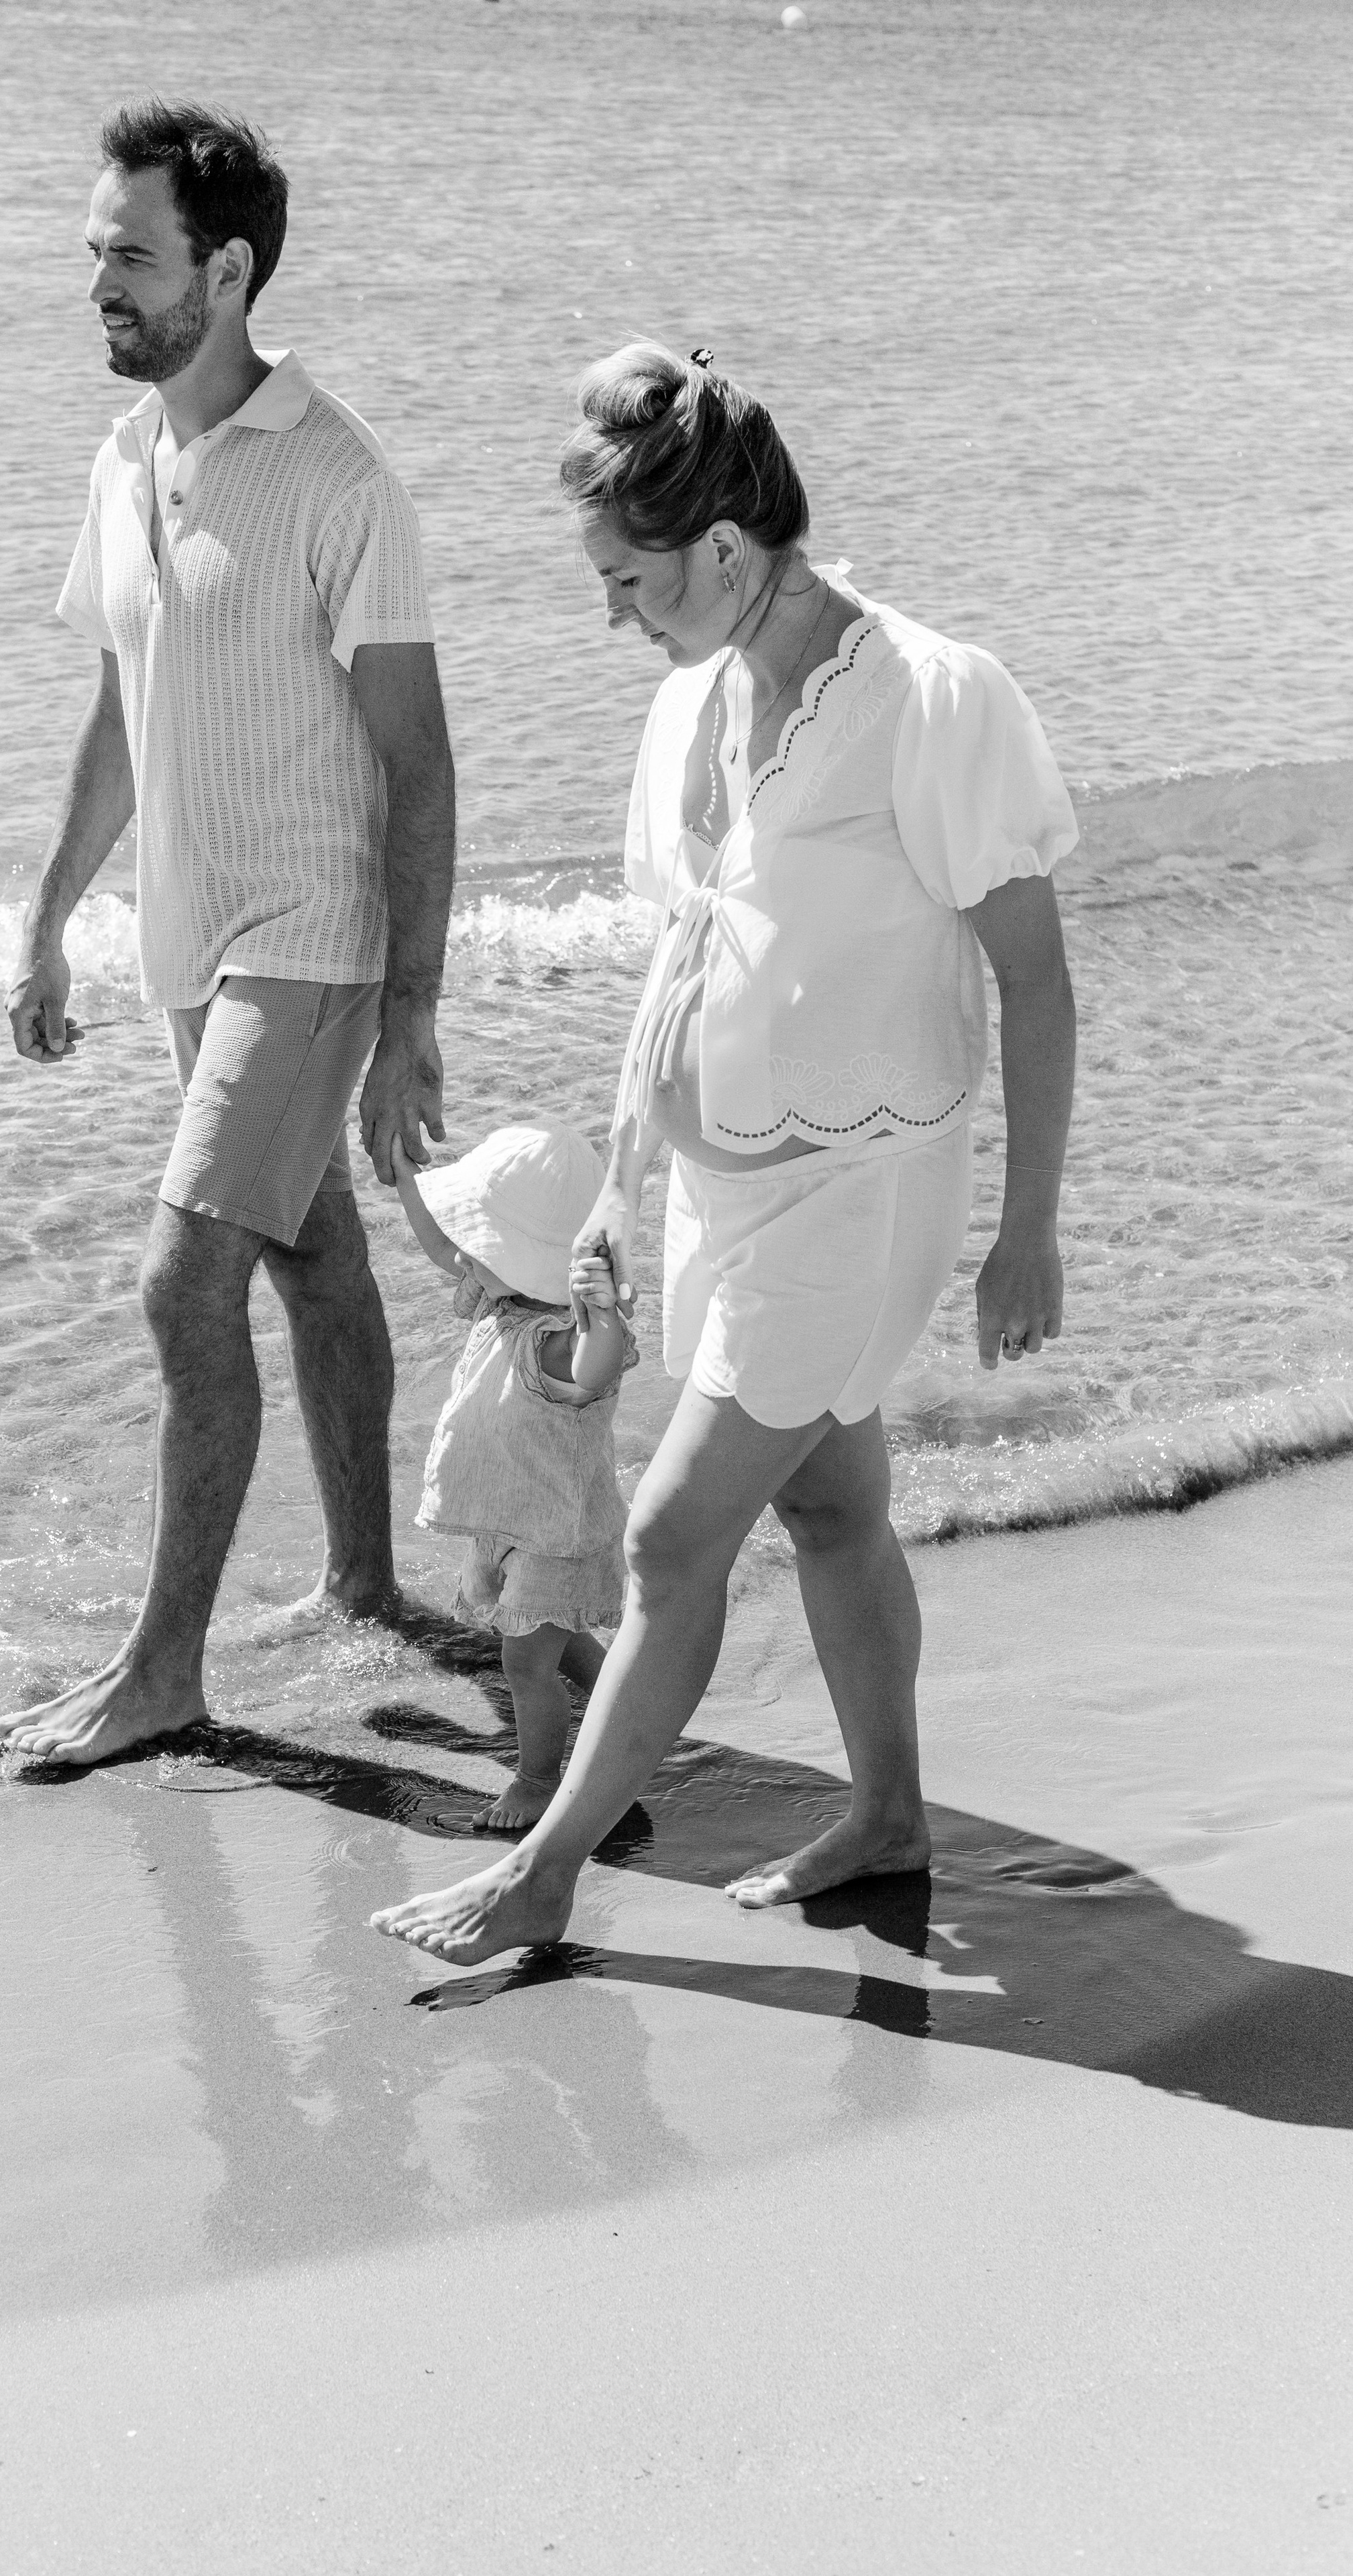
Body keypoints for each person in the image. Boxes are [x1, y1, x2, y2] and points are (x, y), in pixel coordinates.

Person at [370, 341, 1078, 1964]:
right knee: (831, 1508)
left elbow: (1029, 975)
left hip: (860, 1186)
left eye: (626, 578)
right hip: (719, 1188)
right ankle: (889, 1811)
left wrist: (1022, 1225)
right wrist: (624, 1189)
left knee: (669, 1534)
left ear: (720, 548)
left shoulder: (927, 696)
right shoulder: (690, 695)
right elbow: (686, 961)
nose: (612, 612)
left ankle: (541, 1870)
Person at [0, 101, 454, 1766]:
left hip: (309, 941)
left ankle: (164, 1670)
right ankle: (365, 1584)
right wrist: (49, 919)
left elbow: (417, 759)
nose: (100, 284)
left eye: (132, 255)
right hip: (188, 949)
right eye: (95, 252)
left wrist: (408, 1007)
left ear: (229, 267)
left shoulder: (339, 479)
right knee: (311, 1254)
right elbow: (121, 703)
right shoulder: (127, 459)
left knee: (182, 1283)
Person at [392, 1122, 637, 1831]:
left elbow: (597, 1369)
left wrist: (602, 1316)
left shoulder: (567, 1339)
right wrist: (407, 1177)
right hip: (510, 1522)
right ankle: (635, 1718)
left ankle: (536, 1780)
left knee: (528, 1664)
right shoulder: (501, 1298)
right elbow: (442, 1246)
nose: (464, 1254)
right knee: (568, 1647)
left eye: (482, 1241)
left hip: (555, 1535)